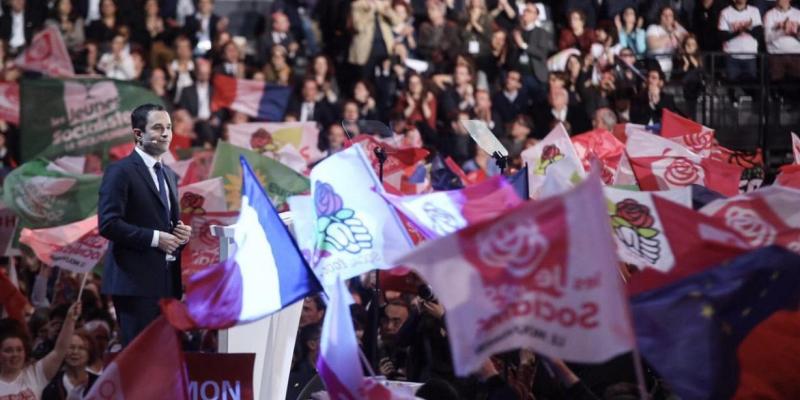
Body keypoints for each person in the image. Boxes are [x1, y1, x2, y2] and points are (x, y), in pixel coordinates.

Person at [98, 104, 191, 346]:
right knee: (140, 364)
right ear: (138, 134)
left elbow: (164, 225)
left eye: (169, 128)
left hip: (166, 286)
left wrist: (179, 235)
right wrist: (155, 238)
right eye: (158, 128)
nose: (166, 134)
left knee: (163, 363)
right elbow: (108, 224)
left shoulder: (169, 174)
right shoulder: (120, 171)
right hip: (134, 286)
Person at [0, 303, 81, 399]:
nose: (15, 354)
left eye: (19, 350)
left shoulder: (35, 374)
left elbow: (59, 351)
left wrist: (70, 319)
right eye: (8, 351)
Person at [41, 329, 100, 399]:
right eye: (71, 347)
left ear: (90, 353)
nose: (75, 352)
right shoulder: (52, 387)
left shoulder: (99, 383)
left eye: (81, 348)